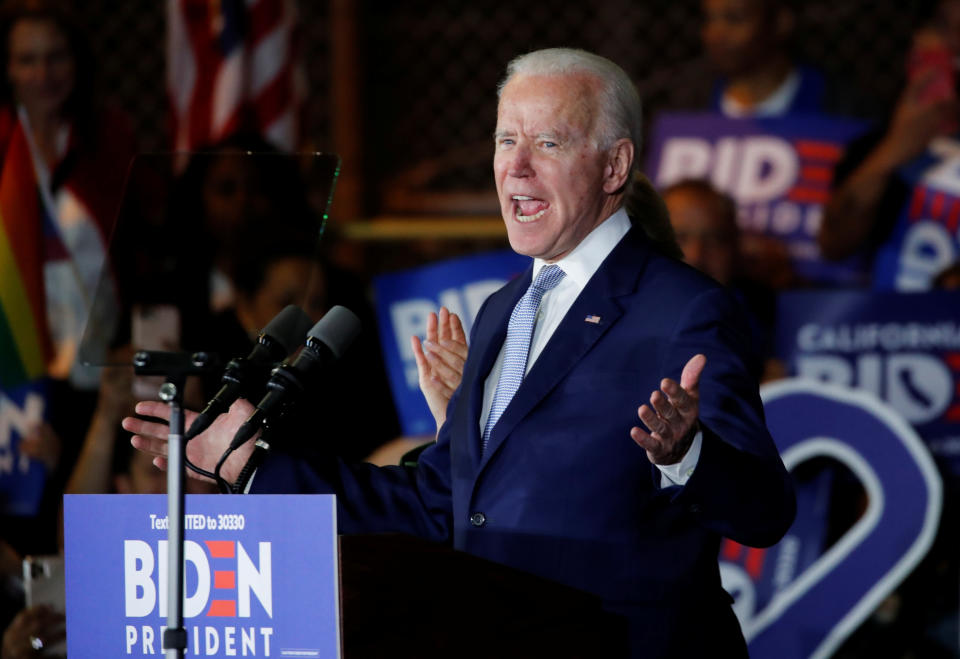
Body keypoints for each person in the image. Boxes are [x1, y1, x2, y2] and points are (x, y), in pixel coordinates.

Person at [125, 48, 795, 658]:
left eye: (548, 142)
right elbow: (438, 501)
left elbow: (764, 508)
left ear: (615, 165)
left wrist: (688, 454)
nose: (516, 166)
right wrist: (250, 464)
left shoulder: (683, 308)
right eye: (506, 140)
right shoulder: (506, 310)